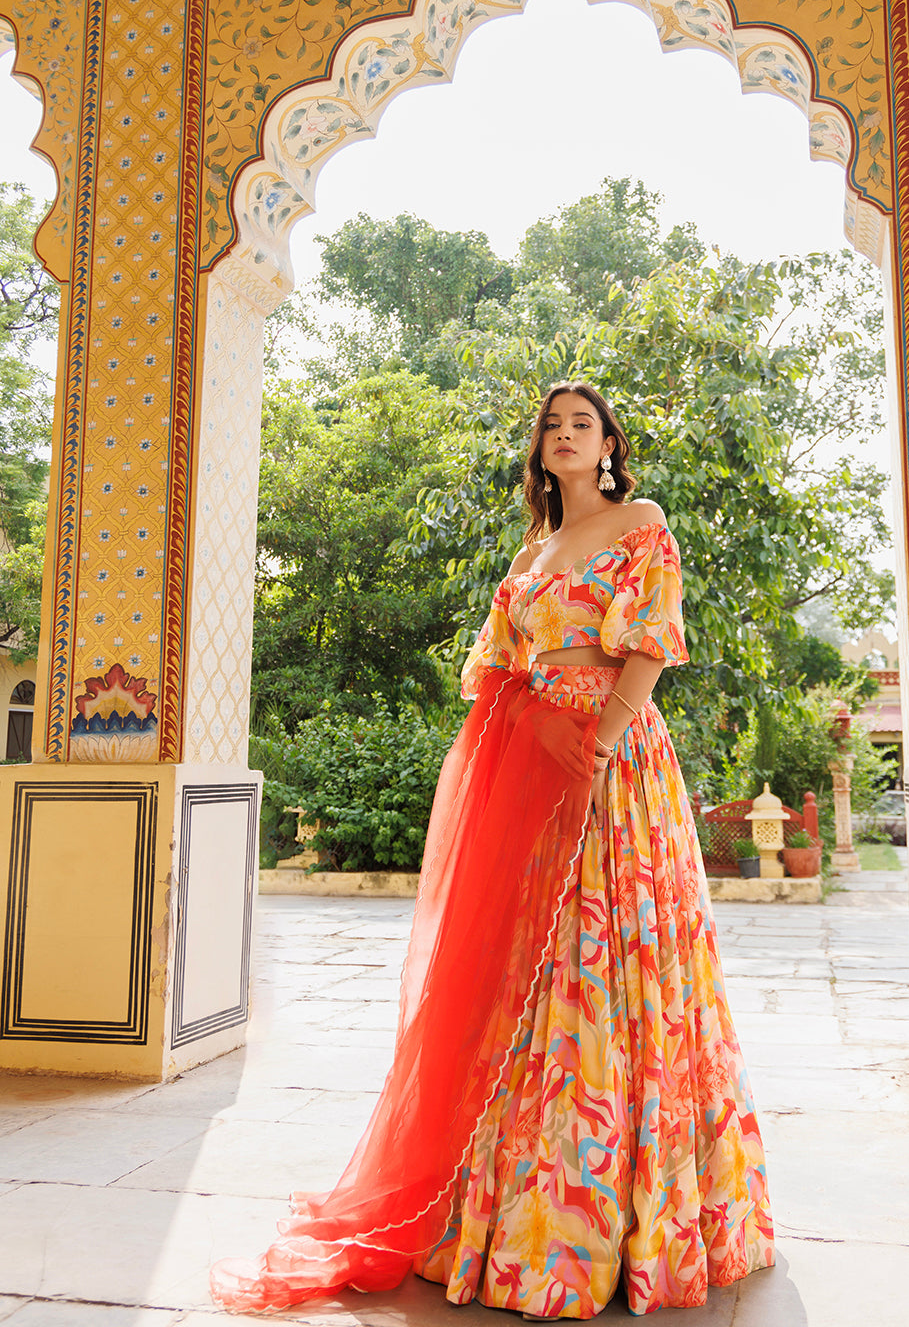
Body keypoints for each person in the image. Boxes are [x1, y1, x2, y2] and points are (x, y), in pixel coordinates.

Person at [211, 382, 773, 1317]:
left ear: (608, 445)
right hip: (530, 758)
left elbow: (651, 642)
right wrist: (529, 736)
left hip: (610, 759)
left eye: (580, 424)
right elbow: (498, 664)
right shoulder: (533, 551)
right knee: (528, 966)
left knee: (611, 958)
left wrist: (598, 745)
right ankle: (515, 1212)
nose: (563, 436)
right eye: (550, 425)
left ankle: (615, 1217)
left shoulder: (641, 520)